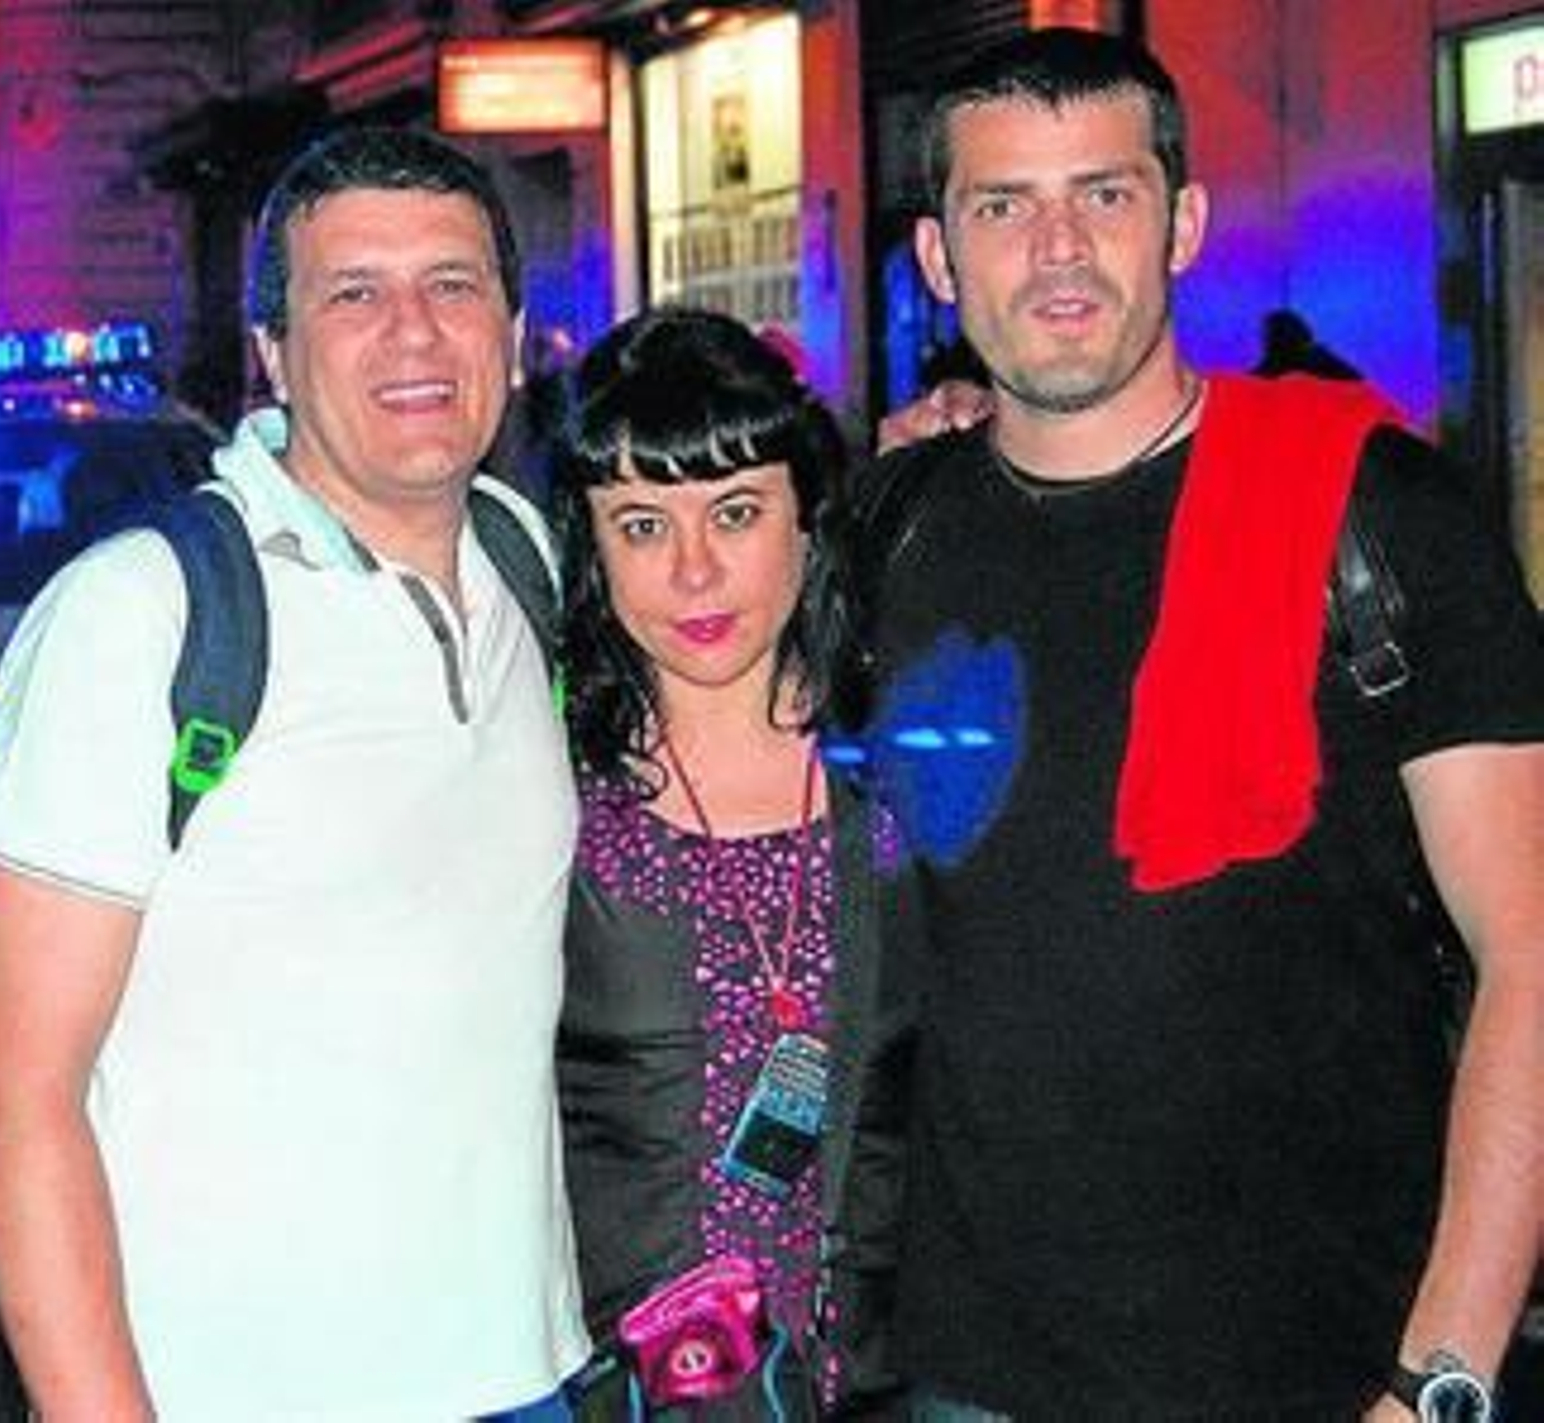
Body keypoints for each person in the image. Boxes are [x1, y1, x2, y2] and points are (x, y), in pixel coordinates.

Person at [857, 27, 1544, 1421]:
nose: (1058, 249)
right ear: (937, 256)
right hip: (971, 1371)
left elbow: (1530, 954)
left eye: (1104, 194)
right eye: (1004, 204)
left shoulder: (1381, 516)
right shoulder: (888, 527)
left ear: (1182, 222)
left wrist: (1442, 1374)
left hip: (1322, 1368)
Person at [0, 126, 588, 1419]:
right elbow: (9, 1091)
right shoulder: (137, 616)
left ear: (512, 336)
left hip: (528, 1375)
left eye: (452, 284)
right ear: (275, 354)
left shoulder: (526, 559)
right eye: (353, 293)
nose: (414, 332)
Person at [551, 308, 909, 1417]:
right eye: (642, 525)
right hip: (630, 1387)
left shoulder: (907, 772)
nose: (694, 570)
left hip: (898, 1375)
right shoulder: (542, 798)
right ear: (592, 548)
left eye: (737, 512)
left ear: (807, 516)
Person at [1254, 306, 1362, 381]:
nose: (1263, 339)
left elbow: (1256, 378)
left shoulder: (1275, 362)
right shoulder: (1321, 356)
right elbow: (1357, 380)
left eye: (1265, 333)